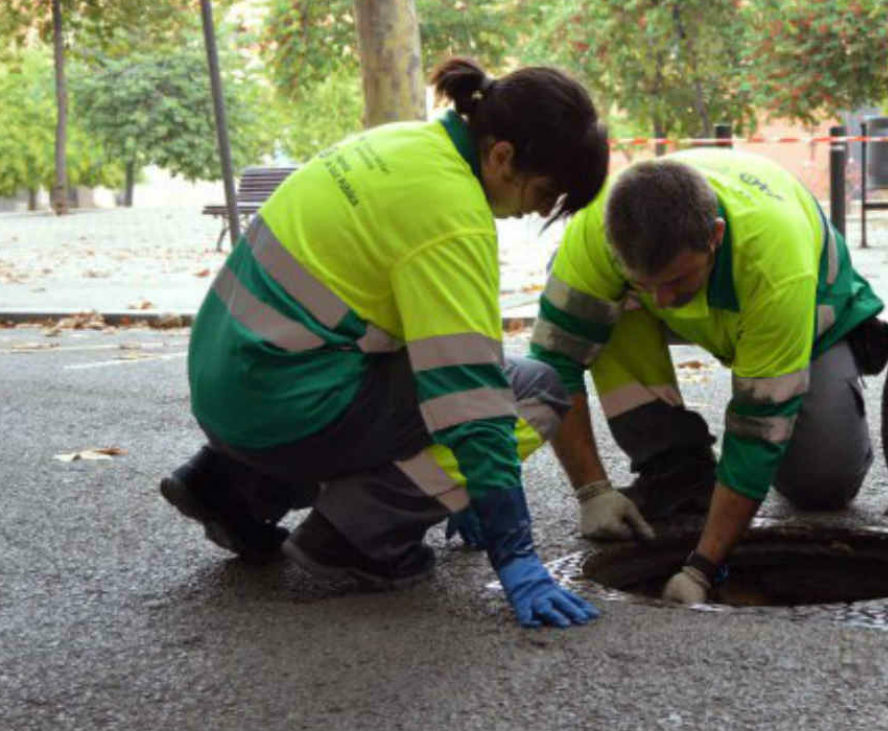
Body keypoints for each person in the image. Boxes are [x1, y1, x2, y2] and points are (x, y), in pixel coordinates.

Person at [160, 57, 606, 629]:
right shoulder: (451, 214)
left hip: (226, 388)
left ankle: (229, 488)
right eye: (546, 194)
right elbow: (471, 401)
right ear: (502, 156)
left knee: (384, 355)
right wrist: (514, 552)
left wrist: (462, 489)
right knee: (535, 391)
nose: (540, 212)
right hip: (285, 407)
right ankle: (356, 536)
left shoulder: (401, 144)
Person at [529, 148, 888, 604]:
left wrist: (702, 568)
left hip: (806, 316)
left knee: (822, 484)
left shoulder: (775, 262)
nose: (662, 299)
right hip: (713, 296)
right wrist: (591, 490)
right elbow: (553, 364)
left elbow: (758, 428)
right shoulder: (597, 230)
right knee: (593, 305)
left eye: (677, 280)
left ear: (715, 236)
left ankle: (836, 384)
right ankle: (675, 464)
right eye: (645, 283)